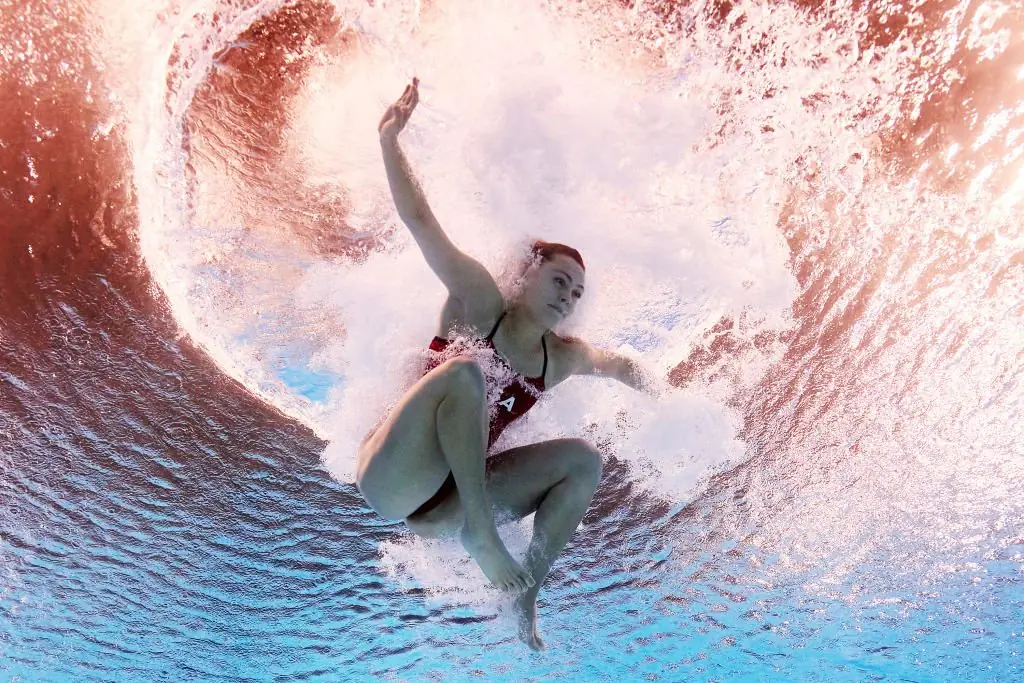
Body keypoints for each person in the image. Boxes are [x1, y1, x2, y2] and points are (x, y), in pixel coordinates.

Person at [356, 78, 659, 650]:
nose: (568, 297)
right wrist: (389, 141)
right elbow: (422, 224)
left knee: (583, 462)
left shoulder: (560, 359)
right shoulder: (479, 301)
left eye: (576, 294)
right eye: (559, 280)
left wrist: (682, 408)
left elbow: (622, 368)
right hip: (393, 478)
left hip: (443, 510)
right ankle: (483, 533)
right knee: (466, 372)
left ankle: (527, 592)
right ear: (527, 273)